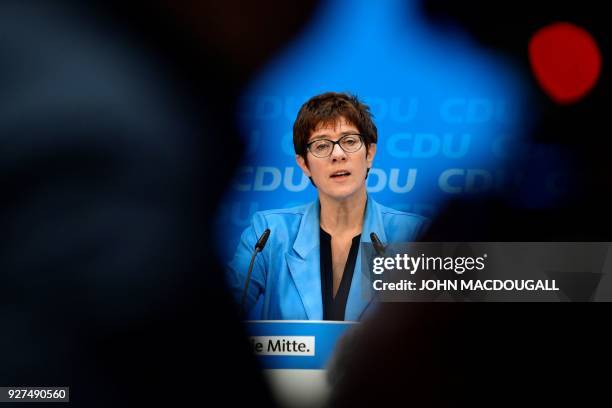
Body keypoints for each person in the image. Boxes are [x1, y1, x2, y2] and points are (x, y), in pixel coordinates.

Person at [227, 92, 429, 321]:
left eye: (350, 141)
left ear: (370, 153)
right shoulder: (268, 233)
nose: (338, 154)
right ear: (304, 164)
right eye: (322, 146)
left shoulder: (416, 234)